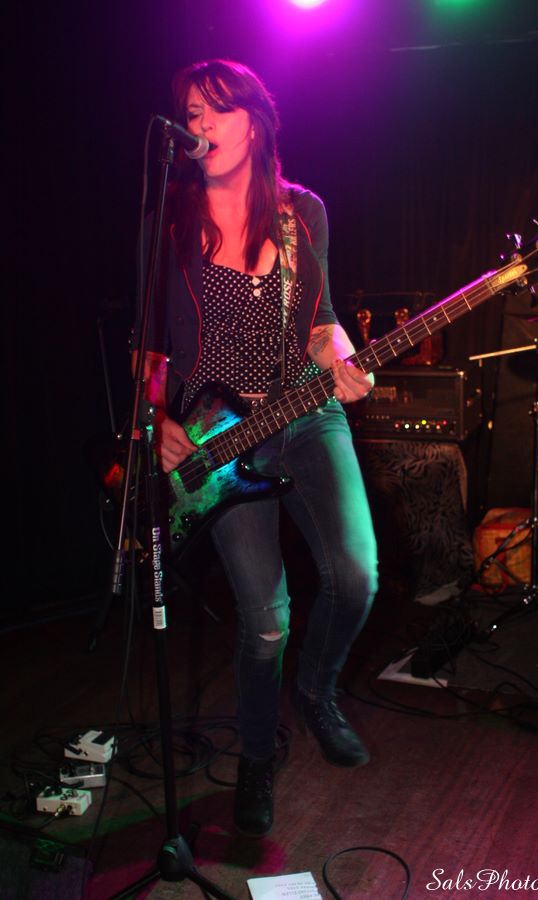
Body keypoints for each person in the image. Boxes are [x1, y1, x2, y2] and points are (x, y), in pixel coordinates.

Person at [135, 59, 378, 838]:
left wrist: (345, 363)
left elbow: (322, 322)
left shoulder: (302, 213)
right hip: (222, 433)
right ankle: (256, 757)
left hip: (306, 412)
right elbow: (149, 347)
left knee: (357, 576)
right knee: (265, 620)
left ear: (255, 122)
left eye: (217, 109)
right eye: (190, 113)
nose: (201, 125)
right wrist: (156, 420)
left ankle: (316, 690)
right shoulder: (171, 225)